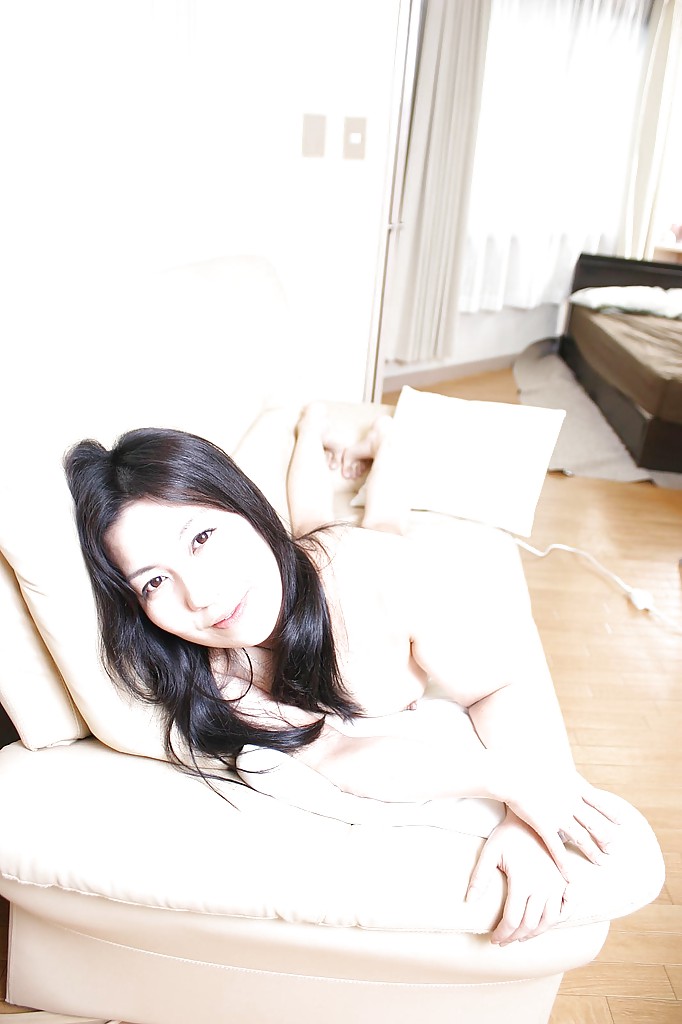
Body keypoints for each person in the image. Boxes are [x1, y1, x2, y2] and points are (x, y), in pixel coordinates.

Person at [64, 410, 621, 947]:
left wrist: (526, 815)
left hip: (353, 562)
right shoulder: (219, 674)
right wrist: (503, 782)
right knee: (314, 524)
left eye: (202, 538)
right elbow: (333, 752)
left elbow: (498, 686)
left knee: (378, 525)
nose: (202, 595)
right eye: (155, 581)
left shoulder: (376, 574)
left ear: (245, 508)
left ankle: (362, 436)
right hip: (311, 564)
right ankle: (320, 434)